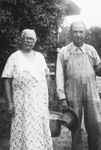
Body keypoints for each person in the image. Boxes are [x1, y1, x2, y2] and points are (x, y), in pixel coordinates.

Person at [1, 29, 53, 150]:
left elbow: (47, 77)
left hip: (39, 102)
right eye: (27, 38)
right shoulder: (14, 57)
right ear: (21, 39)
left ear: (35, 41)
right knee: (24, 130)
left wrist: (49, 97)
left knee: (39, 129)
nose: (29, 40)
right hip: (22, 103)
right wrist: (9, 103)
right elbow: (6, 79)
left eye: (32, 39)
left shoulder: (40, 57)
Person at [56, 20, 101, 150]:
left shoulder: (91, 50)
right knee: (75, 127)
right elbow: (59, 75)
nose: (78, 34)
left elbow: (98, 71)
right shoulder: (64, 52)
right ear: (70, 33)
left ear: (85, 33)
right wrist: (62, 97)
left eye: (81, 31)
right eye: (75, 31)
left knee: (95, 125)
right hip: (72, 92)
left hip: (91, 92)